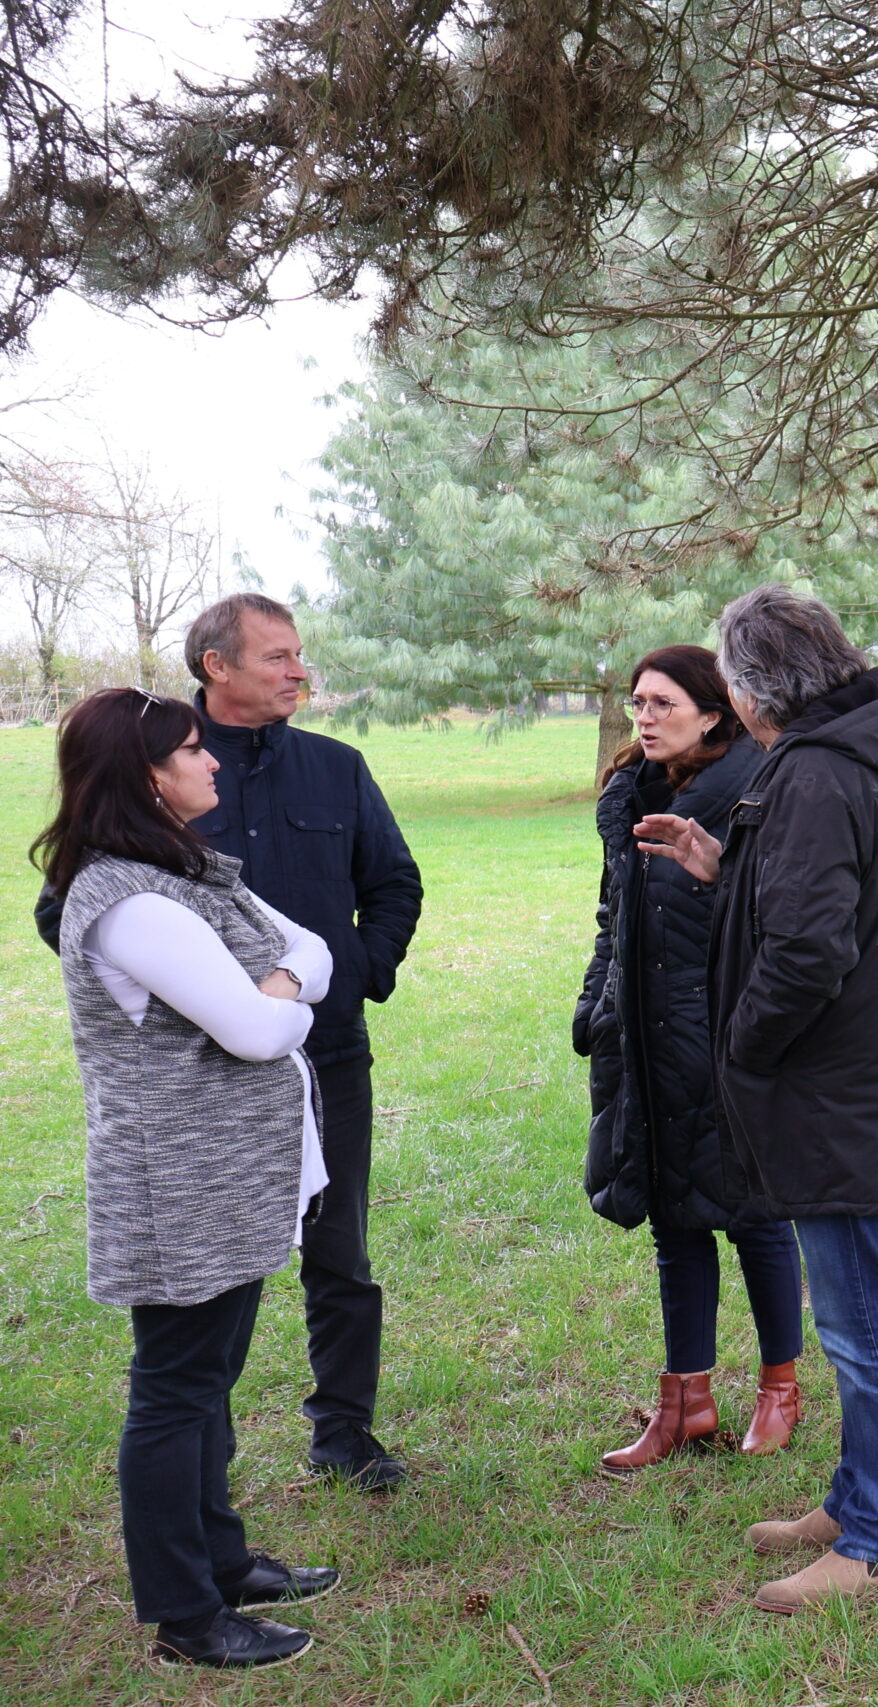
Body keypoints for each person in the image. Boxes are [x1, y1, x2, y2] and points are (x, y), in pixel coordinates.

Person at [637, 584, 878, 1615]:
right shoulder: (853, 754)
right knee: (861, 1310)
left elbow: (807, 950)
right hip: (866, 1085)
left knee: (863, 1320)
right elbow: (815, 892)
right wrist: (721, 864)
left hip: (844, 1094)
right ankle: (861, 1497)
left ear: (751, 688)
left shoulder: (820, 774)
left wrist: (740, 1048)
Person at [37, 599, 424, 1491]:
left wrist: (355, 971)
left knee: (341, 1251)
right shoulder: (145, 775)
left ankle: (345, 1432)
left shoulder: (337, 768)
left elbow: (394, 882)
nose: (301, 672)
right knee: (211, 1286)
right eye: (279, 657)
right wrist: (171, 1002)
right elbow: (69, 913)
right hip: (202, 1092)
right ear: (216, 665)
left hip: (322, 1056)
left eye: (301, 656)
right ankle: (206, 1468)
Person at [38, 688, 346, 1669]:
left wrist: (282, 985)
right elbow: (254, 1030)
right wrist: (285, 1003)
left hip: (227, 1177)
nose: (212, 762)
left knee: (207, 1381)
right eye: (190, 751)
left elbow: (315, 951)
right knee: (175, 1392)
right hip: (181, 1188)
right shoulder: (130, 902)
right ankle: (186, 1614)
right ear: (144, 778)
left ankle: (223, 1561)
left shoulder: (186, 872)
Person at [575, 645, 805, 1470]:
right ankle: (687, 1403)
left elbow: (779, 920)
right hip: (642, 1035)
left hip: (727, 1041)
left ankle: (781, 1388)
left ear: (712, 711)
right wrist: (594, 1004)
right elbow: (614, 916)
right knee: (674, 1216)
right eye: (637, 700)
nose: (643, 715)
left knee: (754, 1216)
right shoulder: (627, 793)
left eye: (662, 702)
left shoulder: (758, 791)